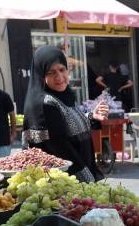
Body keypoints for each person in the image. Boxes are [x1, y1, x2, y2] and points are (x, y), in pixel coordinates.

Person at [23, 46, 107, 182]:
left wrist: (91, 116)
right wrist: (85, 177)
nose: (59, 77)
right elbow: (59, 147)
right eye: (51, 73)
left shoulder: (64, 96)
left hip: (79, 171)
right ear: (40, 74)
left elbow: (66, 124)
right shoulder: (44, 103)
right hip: (63, 179)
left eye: (62, 70)